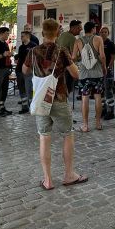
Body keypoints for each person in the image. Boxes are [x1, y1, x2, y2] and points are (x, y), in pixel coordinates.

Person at [22, 18, 87, 190]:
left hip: (41, 100)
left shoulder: (33, 51)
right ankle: (69, 175)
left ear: (43, 33)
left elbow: (24, 70)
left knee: (44, 137)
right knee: (67, 134)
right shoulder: (61, 51)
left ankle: (48, 180)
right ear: (57, 33)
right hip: (59, 98)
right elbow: (76, 74)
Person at [72, 22, 107, 132]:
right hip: (97, 73)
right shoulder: (98, 39)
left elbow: (73, 57)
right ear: (93, 29)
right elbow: (102, 56)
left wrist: (81, 57)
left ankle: (85, 125)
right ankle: (98, 123)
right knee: (98, 97)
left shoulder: (78, 41)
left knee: (85, 97)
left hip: (84, 73)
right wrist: (104, 67)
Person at [57, 20, 82, 93]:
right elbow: (73, 56)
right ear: (73, 28)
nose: (81, 29)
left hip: (58, 66)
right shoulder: (72, 38)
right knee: (68, 89)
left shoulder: (62, 35)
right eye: (79, 28)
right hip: (67, 68)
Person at [15, 30, 36, 114]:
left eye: (22, 36)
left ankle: (31, 106)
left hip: (29, 71)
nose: (21, 38)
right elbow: (19, 58)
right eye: (21, 36)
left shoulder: (33, 46)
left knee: (29, 89)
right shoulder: (21, 47)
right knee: (21, 88)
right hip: (19, 70)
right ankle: (24, 107)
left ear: (28, 36)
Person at [99, 26, 115, 120]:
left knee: (108, 91)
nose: (103, 33)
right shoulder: (99, 42)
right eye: (102, 32)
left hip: (107, 71)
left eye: (105, 32)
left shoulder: (110, 44)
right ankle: (104, 110)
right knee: (101, 91)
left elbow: (112, 57)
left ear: (108, 33)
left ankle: (111, 112)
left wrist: (108, 67)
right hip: (99, 71)